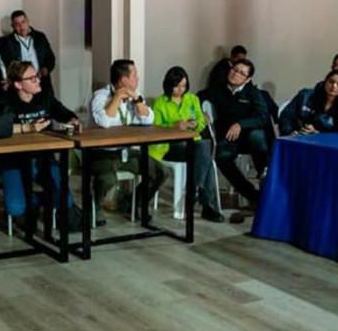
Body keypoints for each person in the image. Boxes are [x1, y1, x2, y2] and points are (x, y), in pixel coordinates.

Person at [148, 67, 244, 224]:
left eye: (184, 86)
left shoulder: (192, 99)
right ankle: (205, 202)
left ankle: (196, 191)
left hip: (192, 142)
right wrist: (174, 126)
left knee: (204, 151)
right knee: (204, 152)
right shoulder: (161, 102)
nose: (181, 90)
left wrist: (194, 125)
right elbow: (156, 127)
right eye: (177, 86)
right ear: (169, 85)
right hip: (169, 145)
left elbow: (201, 121)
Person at [0, 61, 84, 232]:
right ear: (18, 84)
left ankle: (44, 203)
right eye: (32, 78)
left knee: (65, 200)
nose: (38, 80)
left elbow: (62, 112)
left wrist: (73, 120)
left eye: (37, 76)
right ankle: (34, 202)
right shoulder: (6, 101)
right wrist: (27, 128)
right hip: (14, 159)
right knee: (16, 208)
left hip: (42, 157)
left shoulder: (44, 96)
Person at [89, 59, 168, 225]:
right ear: (123, 80)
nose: (137, 78)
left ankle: (133, 202)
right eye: (134, 76)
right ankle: (94, 207)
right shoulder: (100, 96)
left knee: (161, 171)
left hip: (126, 151)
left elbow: (149, 120)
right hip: (102, 152)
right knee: (108, 180)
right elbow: (104, 122)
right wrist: (117, 97)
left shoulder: (135, 96)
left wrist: (138, 101)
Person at [204, 59, 269, 210]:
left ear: (248, 79)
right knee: (221, 158)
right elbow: (199, 97)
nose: (235, 74)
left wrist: (241, 124)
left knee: (258, 136)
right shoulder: (218, 89)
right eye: (234, 69)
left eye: (241, 73)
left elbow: (263, 117)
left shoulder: (253, 93)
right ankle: (253, 196)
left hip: (248, 137)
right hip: (228, 138)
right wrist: (201, 111)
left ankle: (264, 173)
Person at [279, 69, 338, 136]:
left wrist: (317, 133)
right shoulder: (305, 96)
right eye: (331, 82)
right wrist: (290, 132)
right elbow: (286, 116)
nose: (334, 86)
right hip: (296, 137)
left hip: (322, 142)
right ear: (325, 82)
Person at [0, 10, 56, 94]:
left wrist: (46, 68)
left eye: (23, 22)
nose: (21, 26)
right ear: (12, 26)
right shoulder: (7, 42)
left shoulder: (40, 37)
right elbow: (7, 64)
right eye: (17, 24)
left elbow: (50, 57)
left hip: (42, 81)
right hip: (23, 85)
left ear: (28, 21)